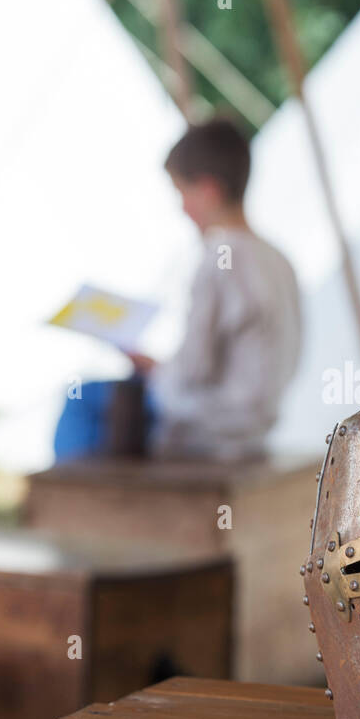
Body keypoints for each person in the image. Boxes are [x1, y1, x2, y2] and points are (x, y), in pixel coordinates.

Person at [130, 116, 301, 461]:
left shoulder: (219, 260)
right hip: (259, 427)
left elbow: (195, 370)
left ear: (208, 190)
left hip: (211, 436)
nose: (181, 208)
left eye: (182, 193)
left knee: (95, 406)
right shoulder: (278, 258)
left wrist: (156, 373)